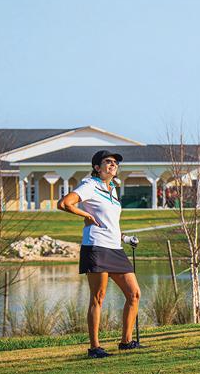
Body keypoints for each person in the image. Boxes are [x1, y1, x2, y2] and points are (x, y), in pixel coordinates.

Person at [57, 150, 142, 357]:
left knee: (134, 294)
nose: (113, 165)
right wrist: (85, 214)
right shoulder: (90, 185)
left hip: (115, 248)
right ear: (97, 167)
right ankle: (95, 348)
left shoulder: (112, 189)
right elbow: (64, 203)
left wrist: (124, 238)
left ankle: (126, 342)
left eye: (115, 163)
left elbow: (109, 222)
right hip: (96, 247)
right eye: (108, 162)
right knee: (98, 297)